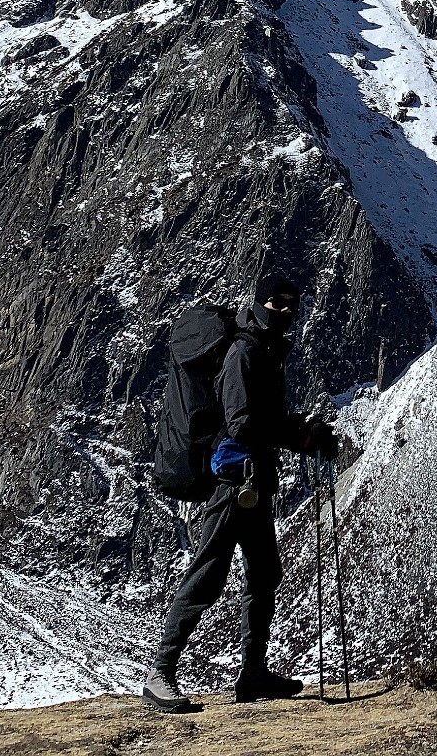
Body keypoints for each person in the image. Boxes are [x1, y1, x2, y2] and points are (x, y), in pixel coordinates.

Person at [143, 273, 340, 712]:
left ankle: (253, 672)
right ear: (259, 302)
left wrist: (298, 433)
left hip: (252, 482)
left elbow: (257, 420)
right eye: (277, 303)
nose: (286, 311)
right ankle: (160, 672)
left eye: (292, 304)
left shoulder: (264, 350)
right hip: (233, 485)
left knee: (265, 572)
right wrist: (299, 435)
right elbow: (242, 424)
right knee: (208, 573)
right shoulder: (245, 351)